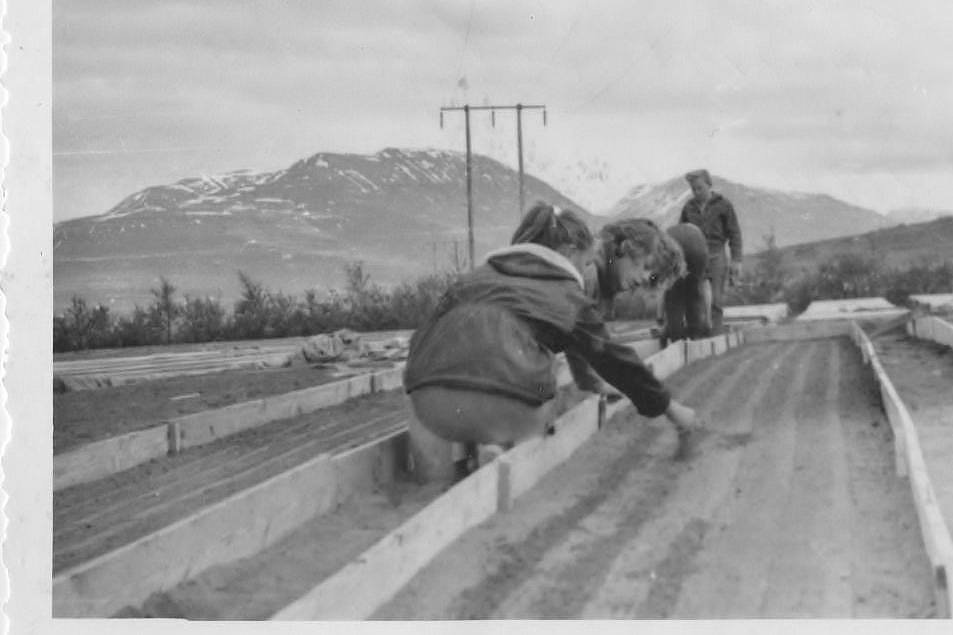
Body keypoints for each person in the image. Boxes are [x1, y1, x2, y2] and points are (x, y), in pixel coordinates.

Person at [403, 202, 700, 465]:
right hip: (503, 398)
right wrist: (670, 407)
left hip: (425, 401)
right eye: (585, 263)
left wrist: (588, 380)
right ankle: (504, 444)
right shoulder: (575, 288)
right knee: (544, 385)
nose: (642, 280)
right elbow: (610, 356)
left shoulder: (475, 277)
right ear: (569, 253)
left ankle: (472, 448)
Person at [679, 169, 743, 334]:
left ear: (709, 184)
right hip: (695, 258)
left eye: (699, 188)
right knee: (696, 298)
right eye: (693, 189)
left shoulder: (723, 205)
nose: (696, 192)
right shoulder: (688, 208)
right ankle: (698, 334)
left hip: (717, 255)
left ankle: (716, 335)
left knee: (715, 299)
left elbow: (734, 233)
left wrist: (736, 260)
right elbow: (681, 233)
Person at [660, 223, 712, 343]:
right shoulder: (701, 242)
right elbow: (706, 288)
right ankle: (695, 337)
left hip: (670, 243)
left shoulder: (668, 235)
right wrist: (708, 320)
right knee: (694, 293)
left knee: (674, 297)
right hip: (696, 247)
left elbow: (662, 288)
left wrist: (661, 320)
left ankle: (676, 339)